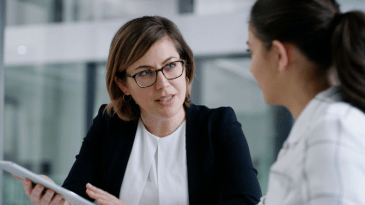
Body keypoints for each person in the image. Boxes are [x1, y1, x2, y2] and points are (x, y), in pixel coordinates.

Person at [15, 16, 262, 205]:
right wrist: (57, 198)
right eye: (145, 72)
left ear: (185, 66)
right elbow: (79, 194)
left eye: (171, 65)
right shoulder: (109, 123)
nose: (163, 84)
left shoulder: (219, 125)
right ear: (123, 85)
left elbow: (247, 203)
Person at [246, 0, 365, 204]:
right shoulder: (319, 129)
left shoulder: (330, 131)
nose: (251, 68)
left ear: (279, 55)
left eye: (252, 52)